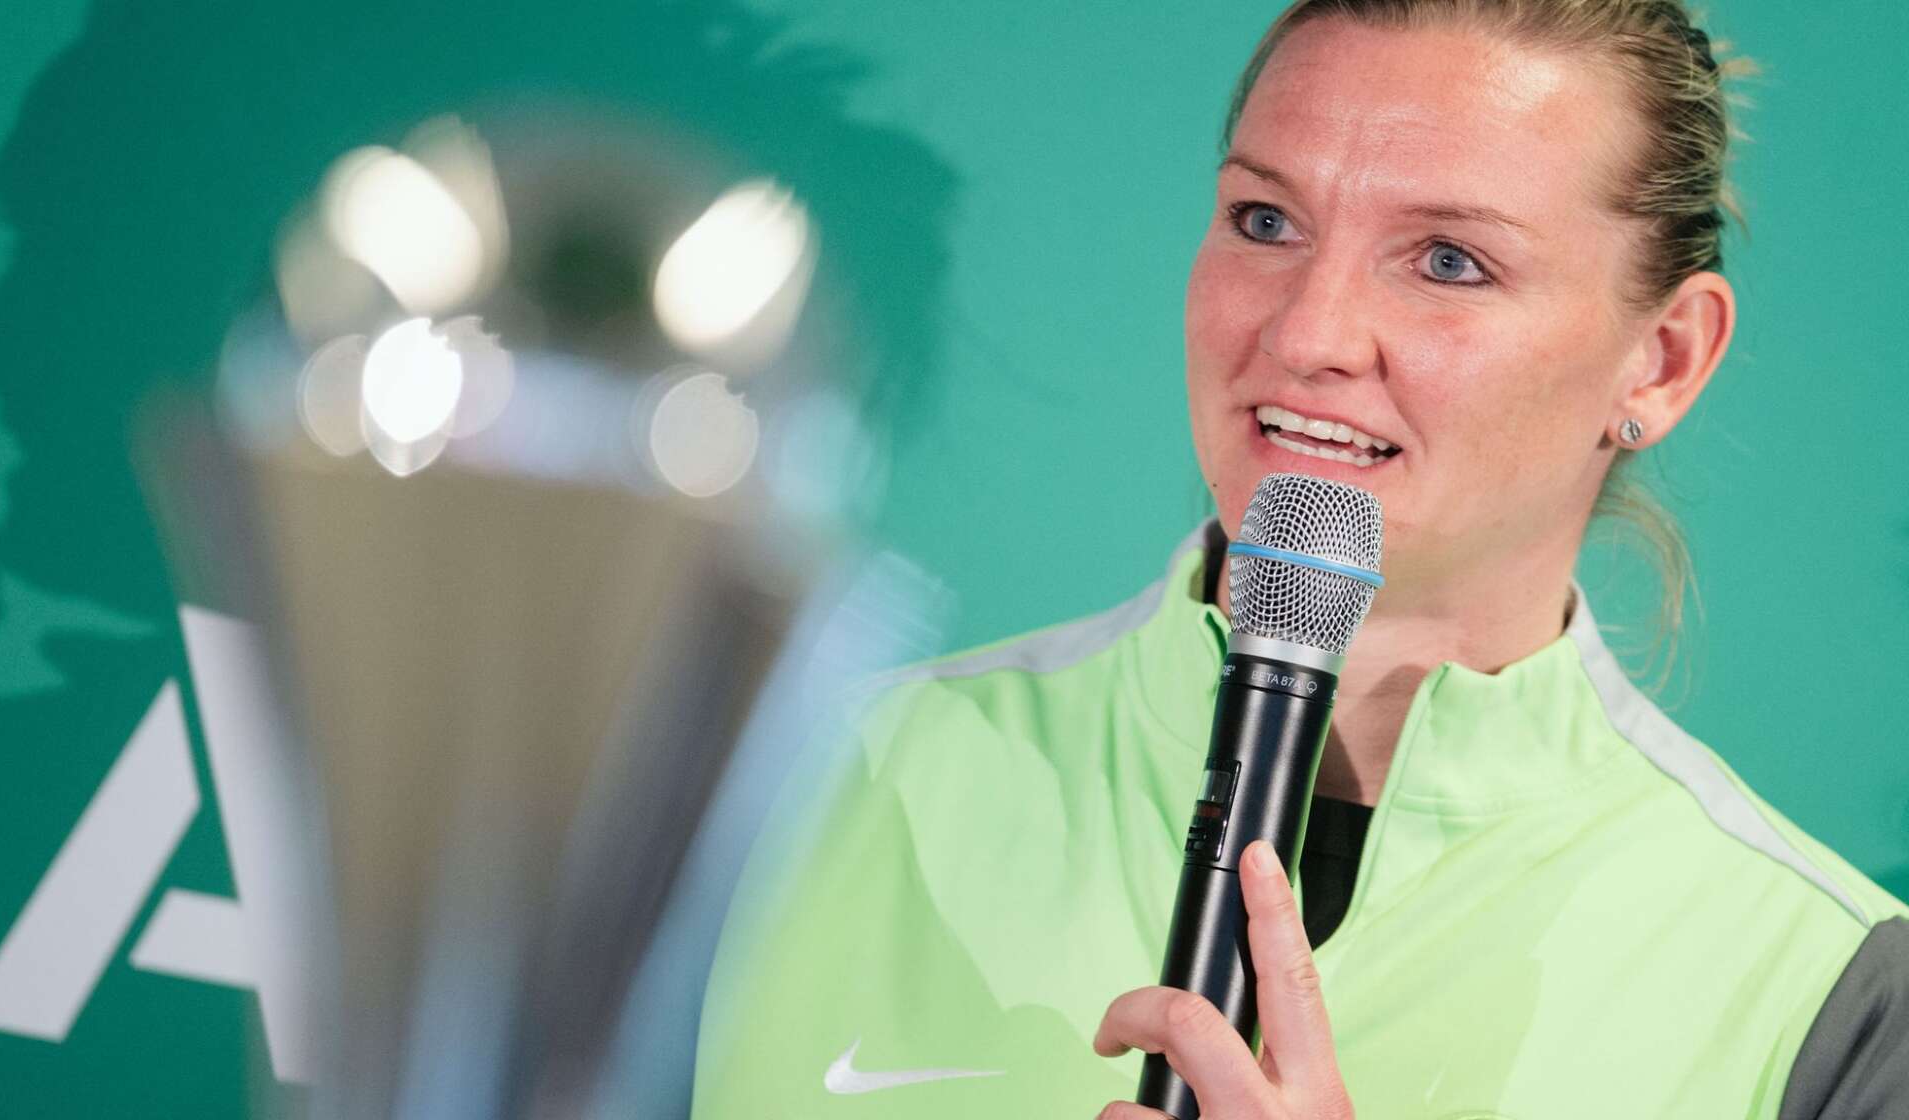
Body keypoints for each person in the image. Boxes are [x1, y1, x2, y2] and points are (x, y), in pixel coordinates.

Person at [689, 2, 1909, 1117]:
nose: (1308, 332)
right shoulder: (769, 786)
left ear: (1664, 360)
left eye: (1448, 259)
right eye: (1266, 221)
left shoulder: (1832, 995)